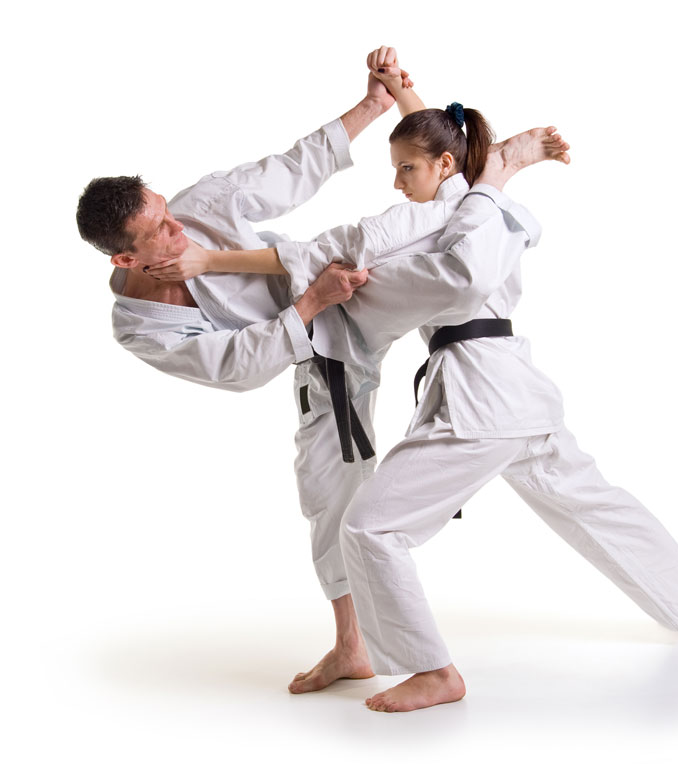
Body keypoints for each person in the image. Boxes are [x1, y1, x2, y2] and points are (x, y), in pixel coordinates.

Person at [156, 59, 678, 712]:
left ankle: (431, 670)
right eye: (396, 169)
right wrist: (408, 97)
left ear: (447, 170)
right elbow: (440, 153)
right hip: (522, 390)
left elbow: (329, 250)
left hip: (478, 404)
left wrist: (208, 260)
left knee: (368, 528)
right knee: (587, 497)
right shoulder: (463, 209)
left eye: (405, 171)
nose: (398, 183)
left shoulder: (424, 234)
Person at [77, 47, 560, 695]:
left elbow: (289, 169)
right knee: (329, 489)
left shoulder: (199, 208)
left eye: (167, 212)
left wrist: (374, 104)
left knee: (411, 231)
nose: (177, 229)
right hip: (317, 337)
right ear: (121, 257)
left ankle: (496, 170)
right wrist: (309, 303)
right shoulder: (139, 324)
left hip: (354, 286)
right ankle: (352, 648)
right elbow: (236, 367)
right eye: (159, 233)